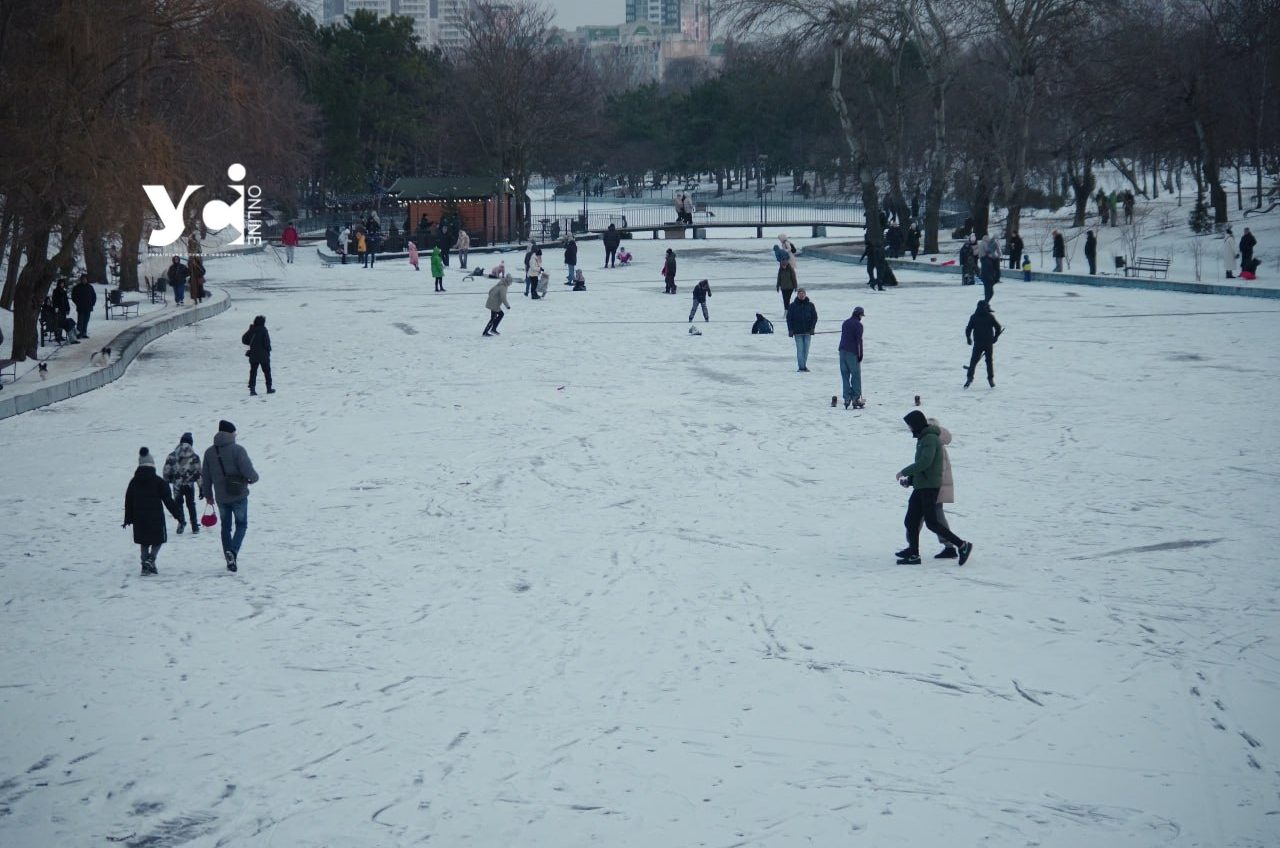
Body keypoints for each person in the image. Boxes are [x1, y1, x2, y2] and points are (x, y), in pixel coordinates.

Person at [894, 410, 972, 566]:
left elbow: (925, 463)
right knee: (911, 521)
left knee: (932, 522)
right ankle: (914, 553)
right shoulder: (923, 439)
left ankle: (962, 545)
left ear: (916, 424)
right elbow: (924, 467)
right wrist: (910, 480)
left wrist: (905, 472)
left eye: (910, 425)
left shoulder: (929, 439)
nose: (909, 428)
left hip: (929, 488)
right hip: (921, 486)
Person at [200, 420, 259, 573]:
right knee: (241, 525)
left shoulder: (209, 453)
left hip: (221, 497)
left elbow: (205, 476)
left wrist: (208, 495)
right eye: (234, 432)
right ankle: (232, 552)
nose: (236, 434)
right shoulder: (238, 450)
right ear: (230, 433)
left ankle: (229, 560)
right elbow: (247, 469)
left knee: (225, 528)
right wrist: (254, 478)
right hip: (238, 494)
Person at [124, 447, 183, 576]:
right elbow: (168, 500)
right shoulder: (158, 481)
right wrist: (178, 515)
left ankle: (145, 566)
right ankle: (151, 559)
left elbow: (128, 500)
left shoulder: (134, 482)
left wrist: (128, 518)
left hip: (139, 517)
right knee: (158, 540)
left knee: (144, 542)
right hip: (155, 516)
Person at [928, 417, 959, 559]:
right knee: (929, 517)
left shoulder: (935, 445)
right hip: (934, 486)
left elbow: (937, 469)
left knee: (935, 517)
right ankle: (949, 545)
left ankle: (950, 545)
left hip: (934, 487)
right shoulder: (936, 443)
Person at [163, 432, 202, 534]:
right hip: (189, 485)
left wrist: (166, 483)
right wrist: (201, 488)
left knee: (178, 504)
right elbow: (198, 473)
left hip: (177, 485)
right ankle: (194, 526)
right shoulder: (194, 457)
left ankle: (181, 522)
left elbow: (166, 471)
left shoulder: (171, 456)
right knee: (191, 504)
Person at [964, 300, 1003, 389]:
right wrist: (995, 337)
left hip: (978, 343)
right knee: (989, 362)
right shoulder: (990, 317)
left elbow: (968, 329)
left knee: (973, 361)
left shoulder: (974, 317)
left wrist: (968, 338)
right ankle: (990, 379)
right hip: (988, 343)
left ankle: (969, 378)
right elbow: (998, 327)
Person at [838, 306, 865, 409]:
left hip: (842, 351)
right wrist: (860, 354)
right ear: (859, 315)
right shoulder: (859, 325)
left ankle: (846, 398)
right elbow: (859, 341)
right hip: (852, 352)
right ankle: (855, 398)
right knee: (855, 375)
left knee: (845, 375)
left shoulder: (845, 322)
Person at [786, 288, 817, 372]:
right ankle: (801, 367)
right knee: (800, 350)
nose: (802, 295)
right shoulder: (793, 305)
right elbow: (789, 318)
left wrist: (812, 328)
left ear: (805, 294)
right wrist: (790, 330)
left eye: (803, 293)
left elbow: (814, 317)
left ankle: (803, 365)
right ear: (797, 295)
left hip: (807, 332)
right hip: (797, 332)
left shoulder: (810, 305)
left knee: (806, 351)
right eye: (800, 293)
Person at [242, 315, 273, 396]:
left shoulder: (252, 330)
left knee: (253, 372)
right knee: (267, 372)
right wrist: (269, 349)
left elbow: (244, 340)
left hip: (253, 355)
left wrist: (250, 330)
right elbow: (266, 343)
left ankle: (252, 389)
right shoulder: (263, 330)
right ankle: (269, 388)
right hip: (264, 356)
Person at [774, 234, 798, 310]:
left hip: (789, 258)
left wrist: (785, 251)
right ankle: (787, 309)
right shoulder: (783, 243)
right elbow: (779, 277)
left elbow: (789, 249)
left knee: (790, 270)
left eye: (779, 238)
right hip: (786, 258)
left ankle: (788, 309)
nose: (779, 240)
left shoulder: (786, 242)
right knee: (786, 299)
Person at [71, 274, 96, 339]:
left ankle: (84, 333)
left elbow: (94, 296)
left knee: (86, 321)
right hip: (80, 307)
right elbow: (73, 296)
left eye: (85, 279)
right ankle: (79, 334)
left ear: (87, 280)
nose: (84, 280)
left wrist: (92, 303)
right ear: (81, 280)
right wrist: (77, 303)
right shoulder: (77, 287)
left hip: (88, 307)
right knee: (80, 321)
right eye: (83, 279)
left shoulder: (90, 287)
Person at [978, 233, 1002, 302]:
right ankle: (985, 305)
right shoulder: (986, 259)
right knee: (989, 293)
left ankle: (986, 305)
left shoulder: (989, 259)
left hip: (988, 277)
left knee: (989, 293)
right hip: (987, 278)